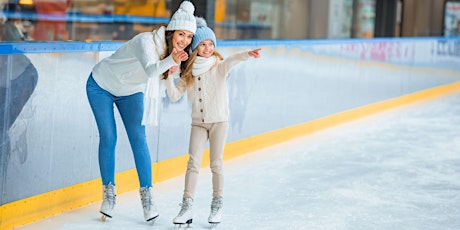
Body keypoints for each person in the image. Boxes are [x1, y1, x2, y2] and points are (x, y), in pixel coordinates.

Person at [85, 0, 196, 222]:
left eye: (189, 37)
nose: (184, 41)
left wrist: (187, 76)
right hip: (101, 85)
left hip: (131, 91)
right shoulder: (146, 41)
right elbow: (150, 69)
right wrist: (171, 61)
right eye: (181, 34)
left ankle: (147, 197)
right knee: (109, 137)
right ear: (172, 31)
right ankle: (108, 194)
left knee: (139, 140)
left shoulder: (173, 55)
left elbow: (171, 91)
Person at [163, 17, 261, 227]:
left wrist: (247, 55)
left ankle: (217, 204)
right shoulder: (189, 72)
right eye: (202, 44)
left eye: (211, 44)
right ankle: (186, 206)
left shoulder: (219, 66)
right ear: (196, 47)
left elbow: (231, 60)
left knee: (216, 164)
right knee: (193, 163)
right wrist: (168, 78)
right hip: (198, 123)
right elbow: (173, 96)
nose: (207, 48)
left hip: (219, 122)